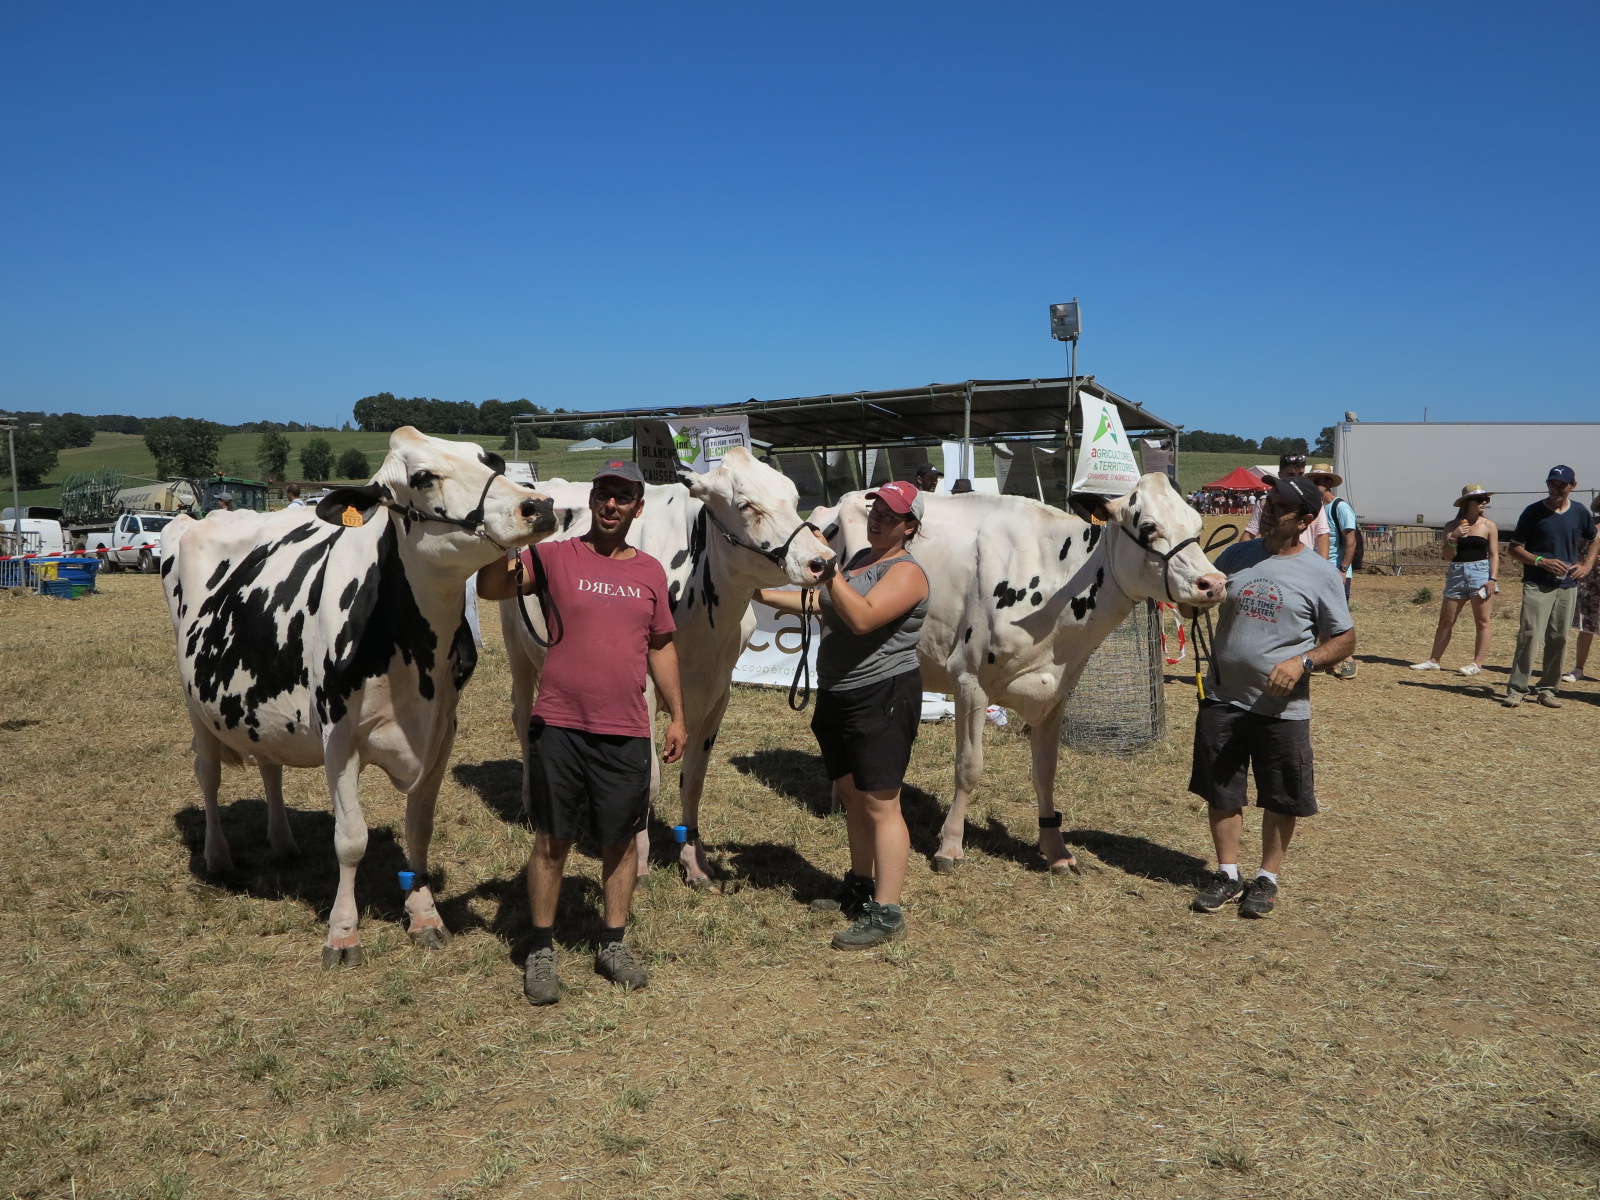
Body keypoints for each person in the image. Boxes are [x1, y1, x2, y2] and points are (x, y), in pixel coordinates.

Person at [476, 459, 687, 1004]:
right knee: (552, 839)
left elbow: (662, 643)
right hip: (559, 723)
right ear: (592, 500)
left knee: (620, 842)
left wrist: (678, 713)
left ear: (638, 507)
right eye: (604, 494)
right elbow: (492, 586)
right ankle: (542, 947)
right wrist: (514, 537)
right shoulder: (554, 555)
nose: (612, 504)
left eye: (623, 497)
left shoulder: (650, 573)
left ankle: (612, 942)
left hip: (626, 728)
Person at [753, 479, 930, 949]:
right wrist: (761, 594)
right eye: (876, 510)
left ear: (910, 527)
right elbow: (822, 603)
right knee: (852, 795)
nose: (878, 519)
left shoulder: (908, 572)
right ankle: (859, 884)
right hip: (841, 693)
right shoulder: (860, 562)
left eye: (891, 516)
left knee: (881, 805)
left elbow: (863, 617)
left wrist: (828, 571)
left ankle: (888, 911)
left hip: (882, 694)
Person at [1185, 475, 1354, 919]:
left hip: (1283, 708)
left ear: (1305, 520)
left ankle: (1267, 879)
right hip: (1223, 697)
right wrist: (1199, 598)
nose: (1268, 510)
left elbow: (1345, 639)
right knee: (1223, 790)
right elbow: (1194, 604)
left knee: (1281, 795)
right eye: (1268, 501)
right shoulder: (1237, 555)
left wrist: (1304, 663)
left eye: (1279, 505)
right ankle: (1226, 873)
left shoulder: (1320, 574)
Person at [1501, 465, 1598, 708]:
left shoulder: (1579, 512)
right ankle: (1517, 689)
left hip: (1567, 584)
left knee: (1559, 638)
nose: (1556, 488)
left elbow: (1594, 538)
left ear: (1572, 486)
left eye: (1562, 484)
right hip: (1537, 583)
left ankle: (1547, 689)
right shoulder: (1533, 512)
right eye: (1552, 483)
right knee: (1530, 635)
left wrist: (1586, 565)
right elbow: (1514, 548)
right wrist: (1540, 561)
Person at [1409, 485, 1498, 676]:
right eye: (1480, 499)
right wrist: (1455, 537)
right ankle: (1434, 660)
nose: (1484, 502)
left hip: (1481, 573)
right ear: (1467, 503)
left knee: (1482, 621)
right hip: (1457, 571)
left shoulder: (1489, 525)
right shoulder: (1451, 525)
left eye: (1486, 499)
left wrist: (1493, 579)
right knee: (1446, 621)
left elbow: (1494, 554)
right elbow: (1448, 555)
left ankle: (1477, 664)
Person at [1309, 465, 1359, 679]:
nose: (1317, 483)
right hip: (1316, 571)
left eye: (1321, 479)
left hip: (1336, 572)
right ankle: (1325, 660)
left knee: (1336, 618)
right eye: (1314, 480)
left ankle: (1348, 659)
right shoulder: (1315, 508)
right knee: (1316, 616)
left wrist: (1342, 569)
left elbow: (1350, 541)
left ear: (1329, 483)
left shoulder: (1340, 507)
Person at [1240, 454, 1329, 557]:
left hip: (1303, 564)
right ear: (1280, 475)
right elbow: (1250, 533)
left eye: (1300, 474)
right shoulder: (1265, 502)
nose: (1295, 478)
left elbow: (1322, 535)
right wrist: (1241, 559)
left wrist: (1322, 566)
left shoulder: (1314, 504)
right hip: (1270, 560)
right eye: (1290, 474)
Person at [1563, 495, 1600, 683]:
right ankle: (1579, 668)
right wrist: (1583, 562)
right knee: (1586, 627)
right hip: (1590, 582)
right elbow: (1575, 549)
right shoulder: (1591, 526)